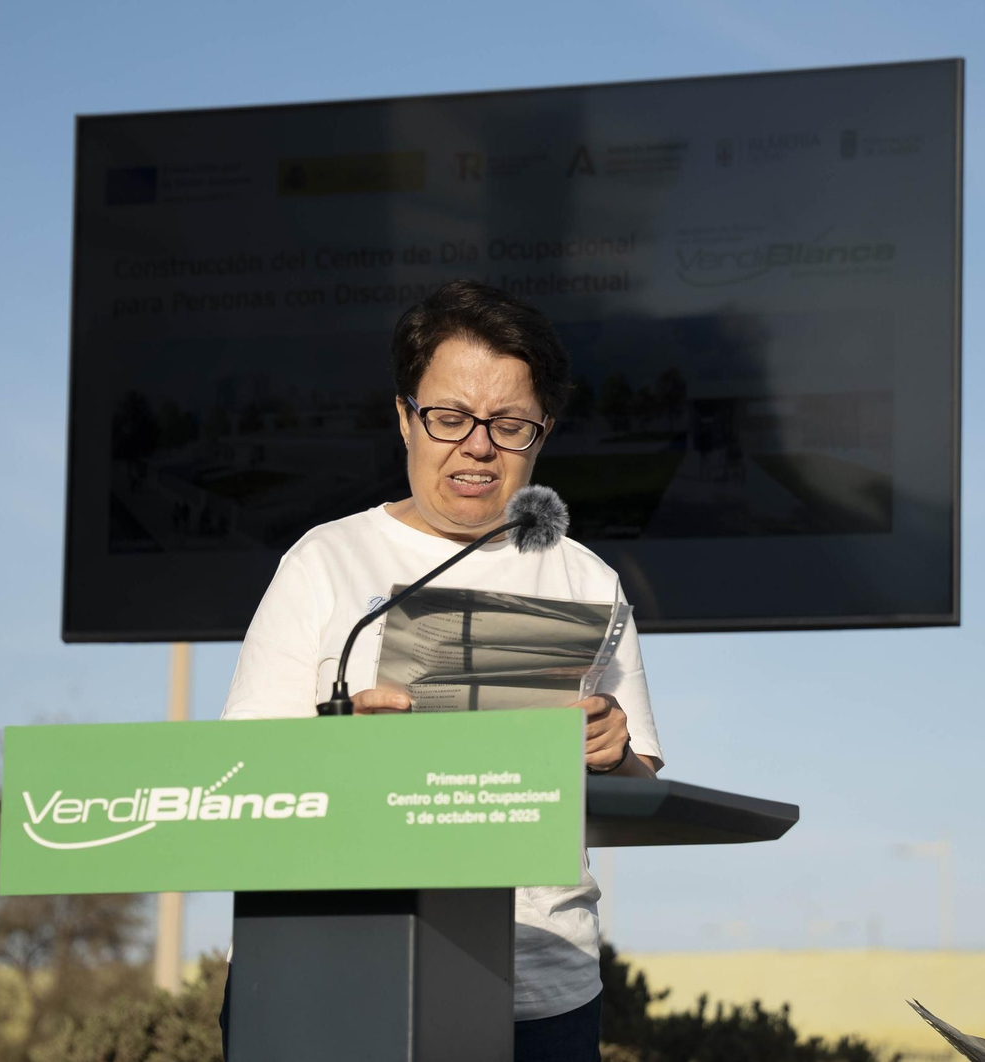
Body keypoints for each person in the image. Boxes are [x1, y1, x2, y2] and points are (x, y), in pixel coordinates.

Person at [219, 280, 662, 1061]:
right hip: (344, 970)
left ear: (542, 433)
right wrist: (341, 746)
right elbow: (240, 775)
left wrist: (614, 754)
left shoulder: (587, 580)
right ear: (405, 417)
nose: (478, 446)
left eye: (510, 425)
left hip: (542, 986)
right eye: (450, 418)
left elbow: (636, 794)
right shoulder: (325, 562)